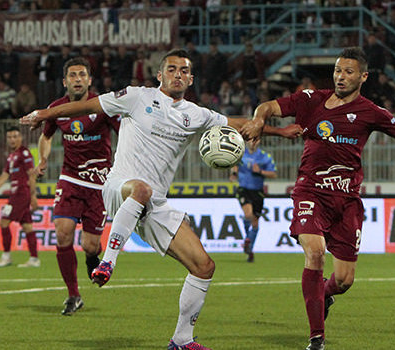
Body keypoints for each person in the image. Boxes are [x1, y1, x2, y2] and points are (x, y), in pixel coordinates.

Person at [22, 49, 303, 350]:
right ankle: (108, 261)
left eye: (184, 70)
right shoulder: (135, 96)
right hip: (119, 188)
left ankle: (181, 339)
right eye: (172, 69)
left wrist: (278, 131)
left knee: (204, 266)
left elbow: (240, 125)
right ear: (160, 75)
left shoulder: (195, 114)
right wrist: (43, 114)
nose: (178, 74)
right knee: (141, 189)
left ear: (191, 78)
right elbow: (86, 106)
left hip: (154, 205)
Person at [240, 47, 395, 350]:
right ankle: (317, 337)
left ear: (363, 76)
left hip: (347, 201)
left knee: (344, 281)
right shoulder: (311, 99)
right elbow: (268, 106)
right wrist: (259, 119)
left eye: (348, 72)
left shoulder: (370, 112)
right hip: (310, 191)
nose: (341, 76)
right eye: (338, 70)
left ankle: (323, 295)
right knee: (315, 252)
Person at [35, 57, 120, 316]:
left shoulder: (103, 106)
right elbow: (45, 136)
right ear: (65, 81)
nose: (77, 79)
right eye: (72, 75)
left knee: (91, 246)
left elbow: (124, 133)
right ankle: (73, 295)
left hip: (99, 184)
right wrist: (43, 160)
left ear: (89, 80)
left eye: (82, 74)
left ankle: (92, 258)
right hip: (70, 178)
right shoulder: (57, 108)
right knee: (62, 233)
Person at [0, 126, 40, 268]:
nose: (12, 140)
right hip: (16, 194)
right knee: (27, 226)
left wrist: (33, 196)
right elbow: (4, 176)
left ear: (21, 138)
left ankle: (6, 256)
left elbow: (31, 174)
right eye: (9, 137)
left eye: (15, 136)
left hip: (21, 194)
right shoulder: (11, 156)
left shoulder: (24, 153)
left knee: (4, 222)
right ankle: (34, 259)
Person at [229, 139, 277, 263]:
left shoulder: (264, 156)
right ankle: (248, 241)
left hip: (257, 191)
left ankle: (249, 246)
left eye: (255, 140)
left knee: (255, 222)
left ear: (259, 141)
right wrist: (234, 173)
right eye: (250, 140)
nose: (253, 143)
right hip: (243, 189)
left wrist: (260, 171)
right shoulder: (241, 154)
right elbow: (234, 163)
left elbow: (273, 174)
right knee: (248, 214)